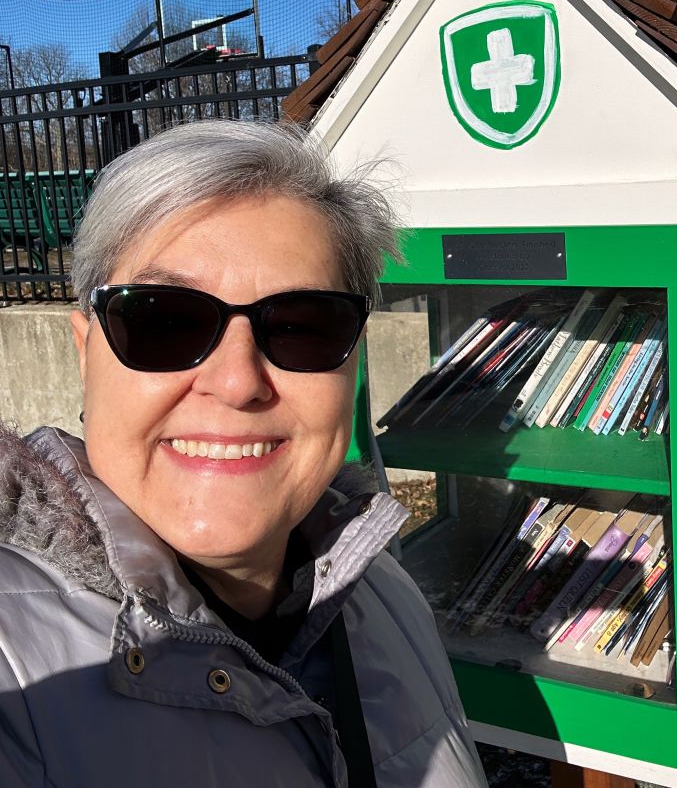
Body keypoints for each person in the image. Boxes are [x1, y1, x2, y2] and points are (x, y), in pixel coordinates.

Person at [0, 120, 489, 787]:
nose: (236, 383)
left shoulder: (387, 597)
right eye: (164, 320)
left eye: (299, 326)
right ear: (86, 353)